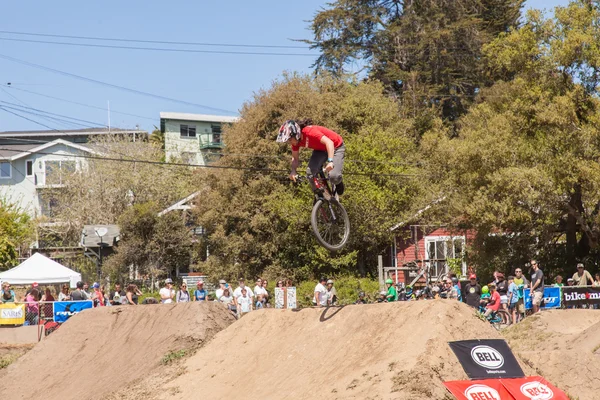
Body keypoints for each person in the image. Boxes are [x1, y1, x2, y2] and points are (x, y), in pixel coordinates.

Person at [277, 119, 346, 196]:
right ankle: (319, 196)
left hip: (336, 146)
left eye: (290, 139)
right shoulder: (295, 142)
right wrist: (293, 170)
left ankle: (338, 182)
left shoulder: (310, 132)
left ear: (296, 134)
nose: (289, 142)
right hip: (320, 150)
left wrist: (330, 161)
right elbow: (295, 158)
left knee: (334, 177)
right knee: (310, 173)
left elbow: (329, 143)